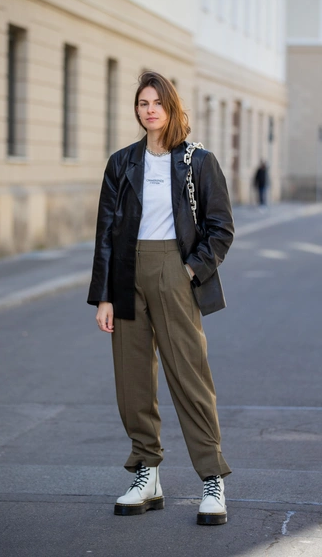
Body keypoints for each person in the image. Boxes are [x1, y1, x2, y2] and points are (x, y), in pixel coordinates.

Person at [87, 71, 234, 526]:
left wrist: (189, 270)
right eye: (142, 103)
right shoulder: (122, 163)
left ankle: (212, 478)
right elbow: (106, 233)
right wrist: (105, 296)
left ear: (171, 107)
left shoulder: (197, 161)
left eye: (157, 102)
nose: (149, 110)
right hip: (127, 273)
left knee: (189, 377)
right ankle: (146, 473)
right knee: (132, 381)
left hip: (175, 270)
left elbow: (221, 228)